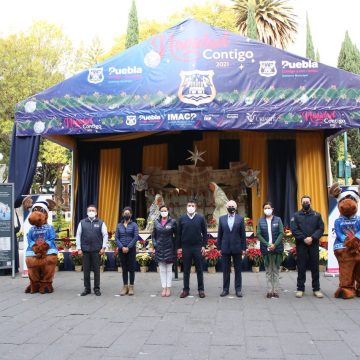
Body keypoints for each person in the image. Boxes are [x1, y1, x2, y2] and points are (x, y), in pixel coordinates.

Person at [290, 195, 325, 298]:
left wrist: (313, 238)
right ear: (301, 203)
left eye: (307, 202)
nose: (306, 203)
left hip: (313, 244)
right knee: (301, 267)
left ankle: (316, 289)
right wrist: (304, 238)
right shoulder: (296, 216)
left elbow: (321, 228)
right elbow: (294, 229)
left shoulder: (317, 215)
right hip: (301, 244)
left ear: (310, 202)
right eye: (304, 202)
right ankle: (300, 289)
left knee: (315, 267)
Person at [76, 205, 108, 296]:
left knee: (96, 271)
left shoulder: (101, 222)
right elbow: (78, 235)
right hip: (85, 250)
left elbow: (105, 235)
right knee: (86, 271)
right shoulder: (82, 223)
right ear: (87, 212)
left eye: (93, 210)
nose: (91, 211)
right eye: (89, 210)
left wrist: (103, 247)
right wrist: (79, 248)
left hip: (96, 251)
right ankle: (87, 289)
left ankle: (96, 289)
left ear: (96, 212)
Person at [177, 200, 207, 298]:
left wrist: (204, 245)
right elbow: (178, 234)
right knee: (186, 270)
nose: (190, 207)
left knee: (199, 269)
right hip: (186, 247)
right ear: (186, 206)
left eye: (192, 205)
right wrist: (179, 247)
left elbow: (205, 233)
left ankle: (201, 289)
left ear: (195, 207)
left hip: (197, 247)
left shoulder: (200, 218)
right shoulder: (182, 219)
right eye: (189, 205)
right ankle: (186, 290)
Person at [217, 200, 246, 297]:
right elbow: (220, 234)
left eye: (233, 206)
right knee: (225, 270)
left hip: (237, 248)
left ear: (236, 207)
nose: (231, 207)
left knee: (238, 270)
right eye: (229, 206)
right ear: (226, 207)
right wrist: (219, 247)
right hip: (225, 248)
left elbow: (243, 234)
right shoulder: (222, 219)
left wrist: (244, 248)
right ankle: (225, 289)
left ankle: (238, 289)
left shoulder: (240, 219)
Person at [257, 202, 284, 298]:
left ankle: (275, 290)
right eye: (265, 208)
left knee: (276, 270)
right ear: (263, 209)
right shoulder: (260, 221)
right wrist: (267, 244)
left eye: (269, 207)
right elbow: (259, 234)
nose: (267, 209)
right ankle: (269, 291)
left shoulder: (278, 219)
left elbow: (281, 233)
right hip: (266, 249)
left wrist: (275, 244)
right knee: (268, 270)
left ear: (272, 209)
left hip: (276, 249)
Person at [152, 205, 177, 297]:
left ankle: (168, 288)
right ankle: (164, 288)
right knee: (162, 269)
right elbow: (153, 235)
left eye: (165, 210)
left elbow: (177, 235)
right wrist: (155, 244)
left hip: (169, 248)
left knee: (169, 269)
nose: (164, 212)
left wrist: (175, 246)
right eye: (162, 211)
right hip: (159, 248)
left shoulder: (173, 222)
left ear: (168, 211)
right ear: (160, 212)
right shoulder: (156, 222)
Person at [116, 206, 139, 296]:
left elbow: (135, 237)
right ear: (122, 214)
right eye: (125, 213)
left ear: (131, 215)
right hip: (122, 250)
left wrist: (128, 247)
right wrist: (122, 247)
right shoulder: (119, 225)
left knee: (131, 268)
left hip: (131, 249)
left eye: (128, 213)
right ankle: (125, 286)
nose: (126, 215)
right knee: (124, 268)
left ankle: (131, 286)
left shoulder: (134, 225)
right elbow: (117, 238)